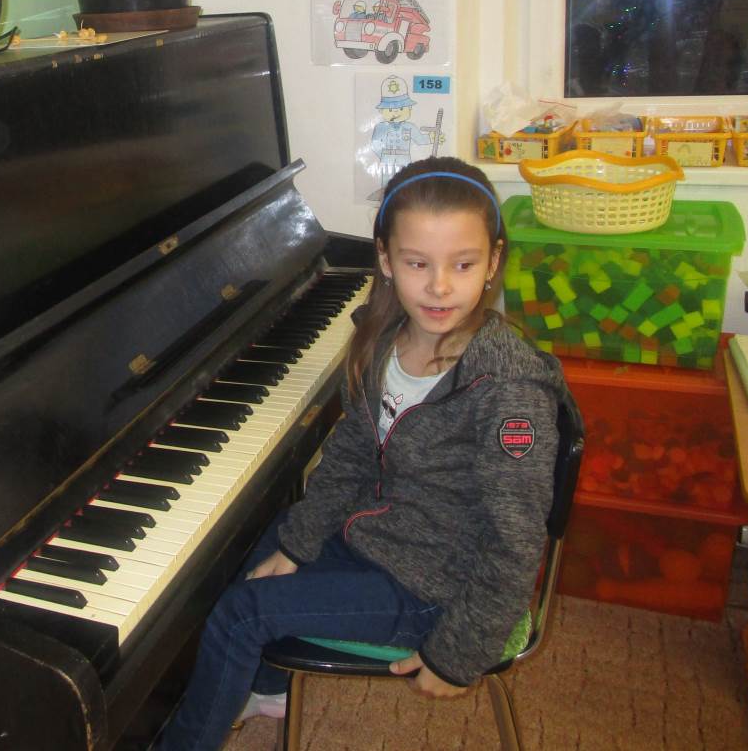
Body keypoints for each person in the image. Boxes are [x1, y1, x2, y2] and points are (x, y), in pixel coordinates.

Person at [155, 157, 563, 751]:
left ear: (493, 261)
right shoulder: (385, 339)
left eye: (463, 264)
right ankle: (267, 687)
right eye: (418, 263)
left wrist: (459, 652)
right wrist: (299, 542)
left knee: (241, 612)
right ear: (385, 260)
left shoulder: (508, 388)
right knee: (259, 549)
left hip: (437, 589)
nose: (440, 286)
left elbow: (516, 541)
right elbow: (351, 450)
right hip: (384, 534)